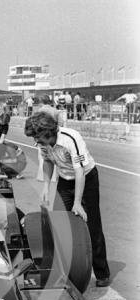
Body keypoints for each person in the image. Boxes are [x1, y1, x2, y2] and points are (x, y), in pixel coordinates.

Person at [24, 111, 110, 287]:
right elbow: (48, 162)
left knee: (92, 226)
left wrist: (77, 203)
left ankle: (102, 273)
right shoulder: (43, 143)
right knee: (57, 224)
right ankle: (63, 268)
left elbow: (79, 171)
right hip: (65, 179)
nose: (36, 142)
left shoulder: (70, 138)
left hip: (86, 178)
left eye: (38, 138)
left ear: (48, 132)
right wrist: (46, 187)